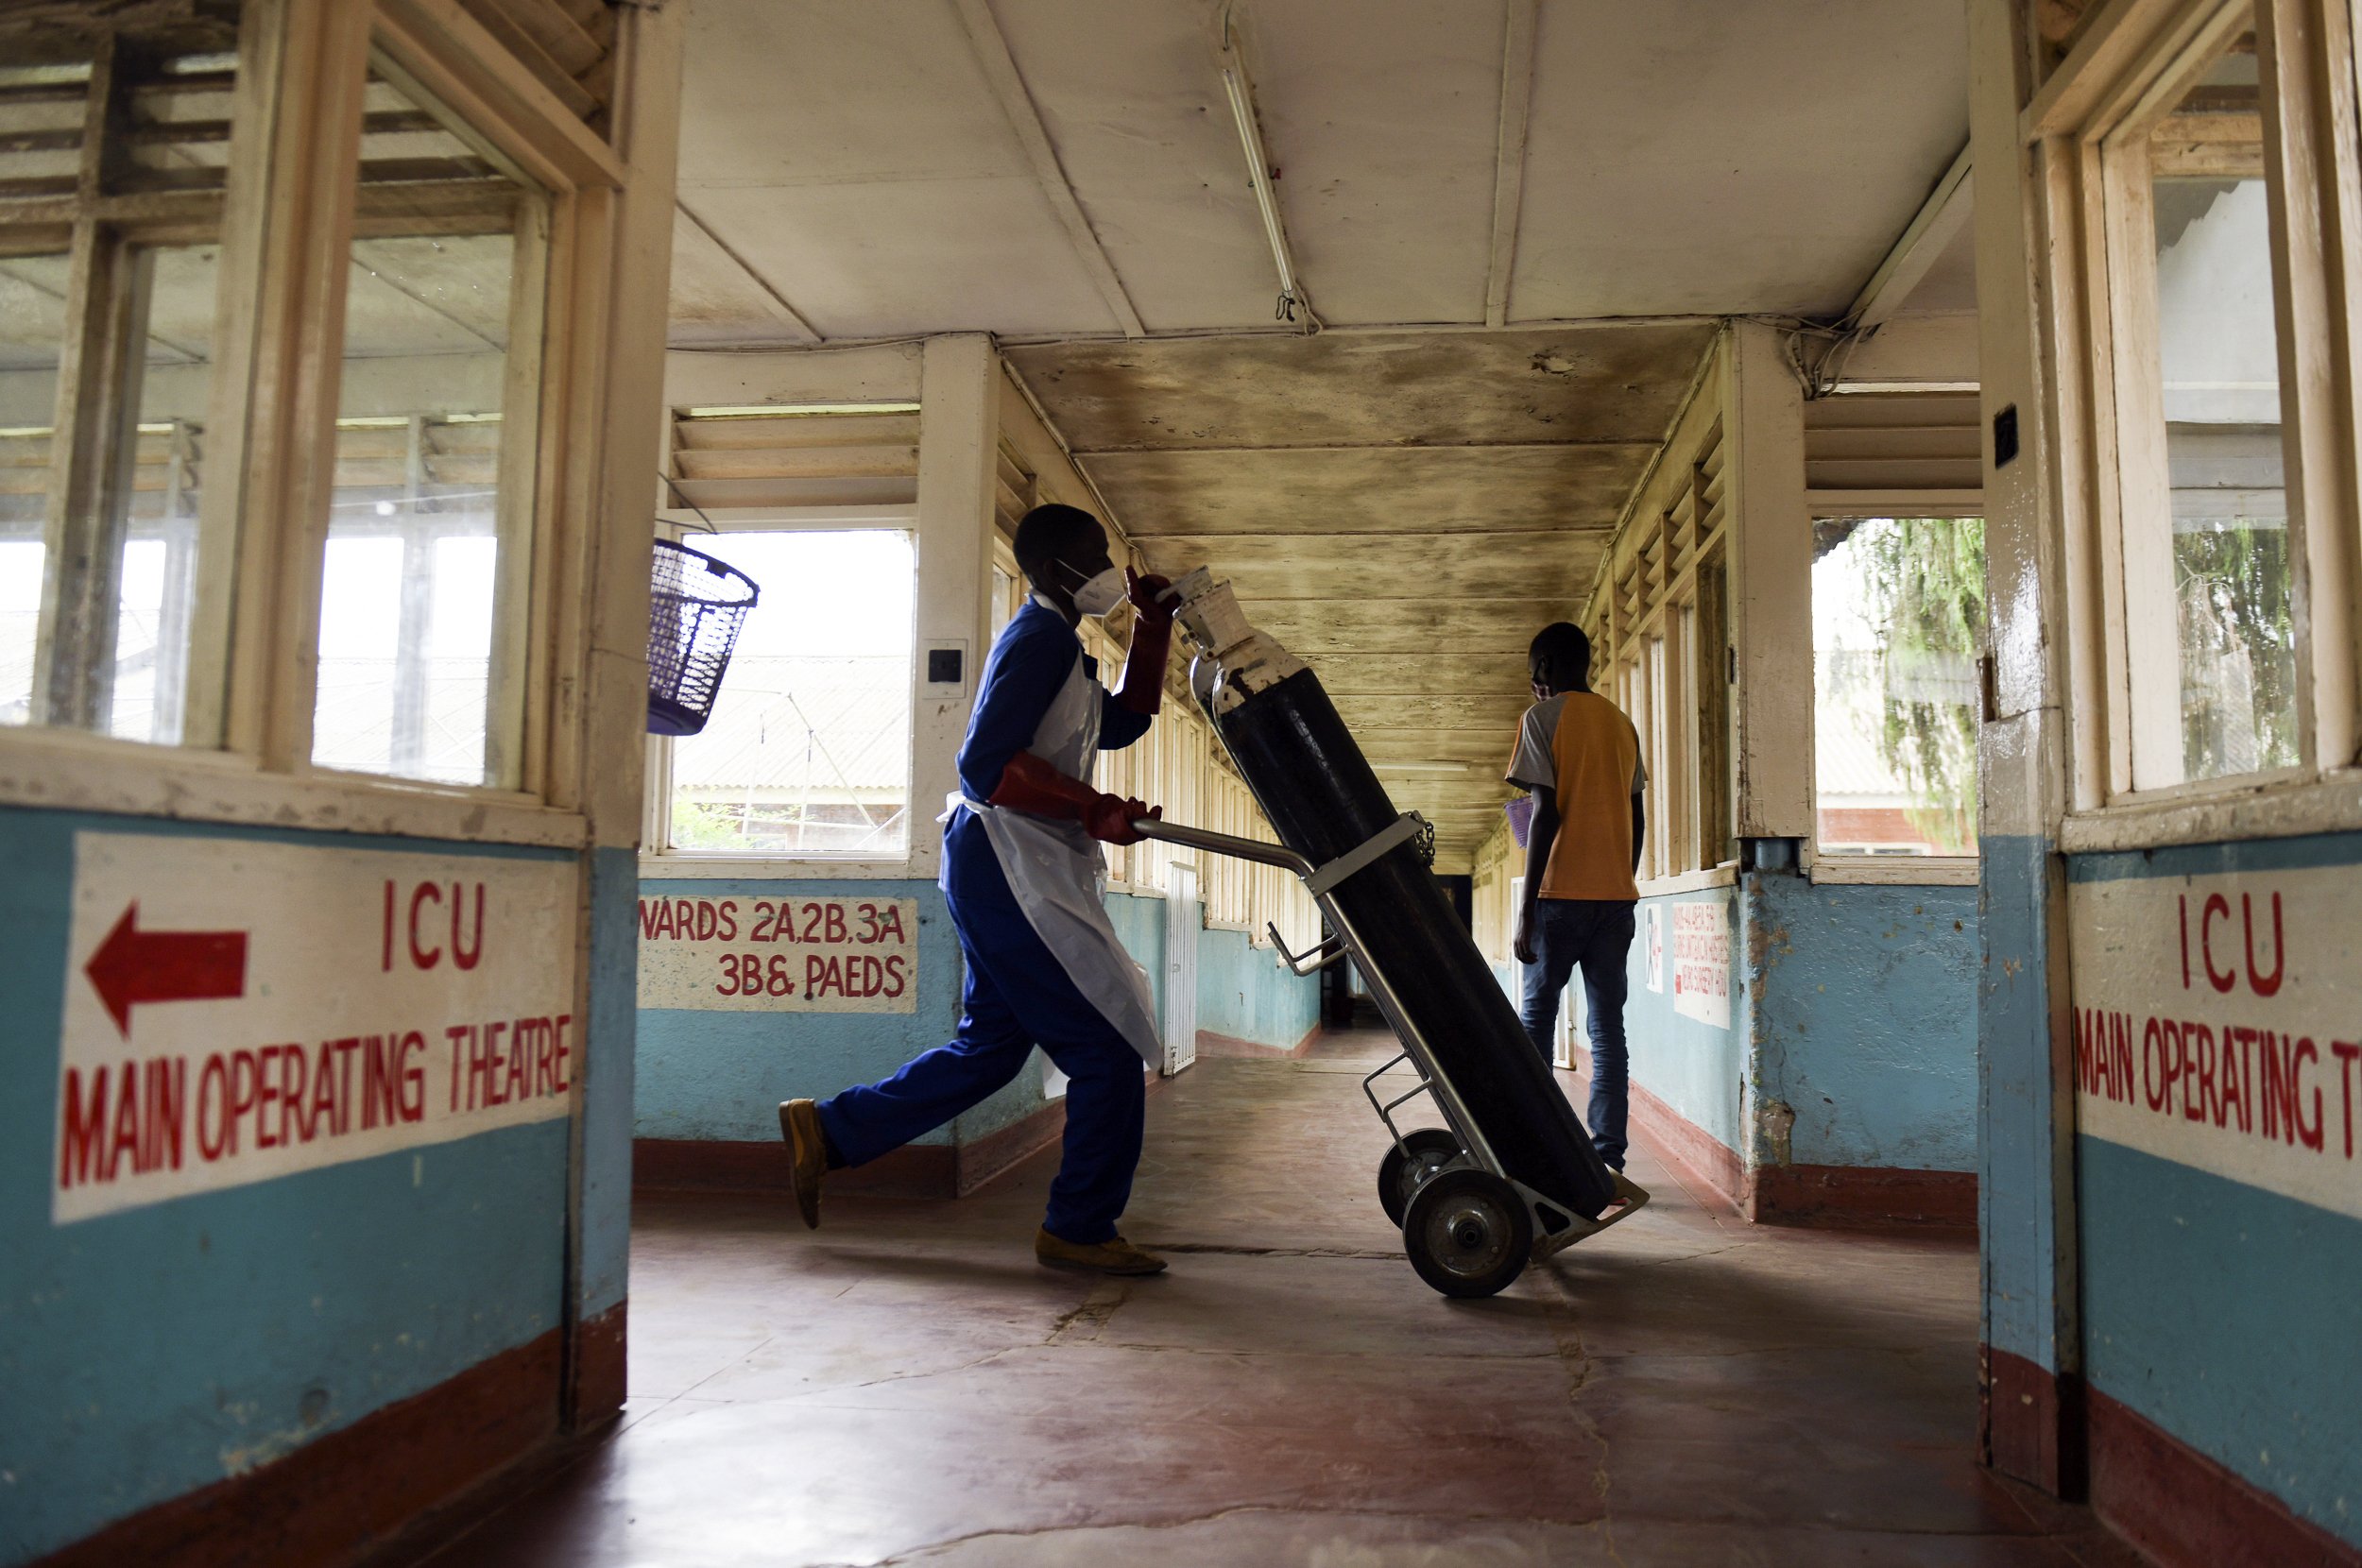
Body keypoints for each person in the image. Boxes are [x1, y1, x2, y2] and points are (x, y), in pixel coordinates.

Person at [778, 503, 1177, 1276]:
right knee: (1106, 1050)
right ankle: (1080, 1227)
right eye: (1094, 554)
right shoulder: (1038, 640)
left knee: (993, 1047)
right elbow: (984, 767)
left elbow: (1121, 724)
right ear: (1059, 564)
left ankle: (829, 1133)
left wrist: (1153, 629)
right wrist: (1094, 809)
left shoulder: (1064, 645)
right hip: (1007, 862)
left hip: (1002, 859)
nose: (1107, 569)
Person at [1504, 622, 1645, 1174]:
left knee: (1536, 1019)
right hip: (1615, 901)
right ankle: (1608, 1153)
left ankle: (1538, 1142)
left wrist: (1527, 906)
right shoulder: (1621, 724)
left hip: (1559, 898)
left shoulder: (1541, 719)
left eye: (1532, 671)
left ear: (1542, 668)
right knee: (1608, 1028)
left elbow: (1545, 813)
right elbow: (1635, 815)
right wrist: (1619, 879)